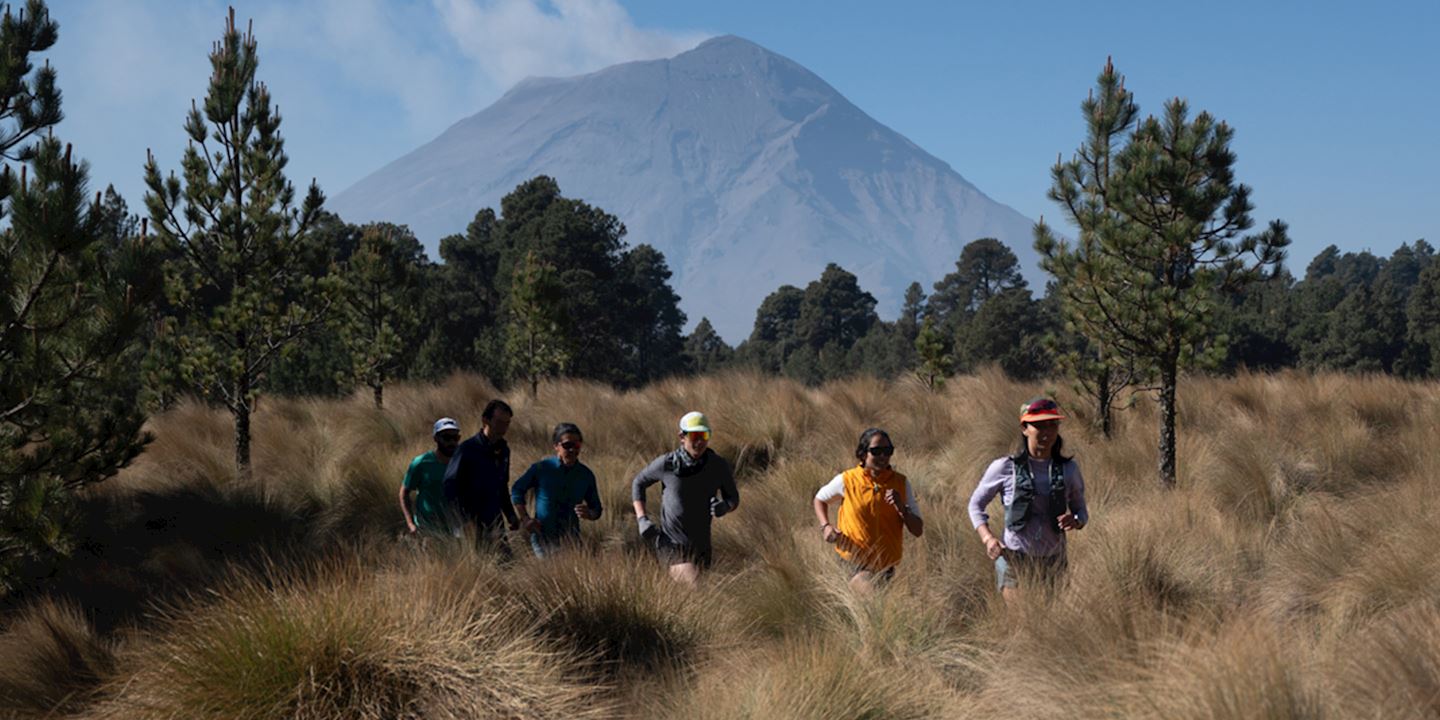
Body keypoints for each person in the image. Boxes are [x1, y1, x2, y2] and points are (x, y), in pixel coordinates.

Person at [969, 396, 1089, 602]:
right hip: (1014, 558)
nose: (1047, 432)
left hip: (1054, 560)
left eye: (1053, 425)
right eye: (1040, 426)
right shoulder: (1004, 467)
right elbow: (975, 505)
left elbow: (1081, 510)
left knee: (1048, 624)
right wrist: (988, 539)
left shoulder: (1069, 470)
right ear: (1025, 428)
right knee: (1020, 620)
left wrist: (1076, 520)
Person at [632, 411, 739, 584]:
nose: (700, 442)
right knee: (695, 586)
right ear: (682, 436)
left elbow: (733, 498)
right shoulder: (666, 464)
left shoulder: (717, 465)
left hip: (702, 546)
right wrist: (642, 519)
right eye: (695, 436)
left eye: (704, 435)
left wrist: (725, 506)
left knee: (695, 598)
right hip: (671, 545)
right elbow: (638, 483)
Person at [812, 428, 924, 593]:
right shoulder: (847, 480)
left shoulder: (901, 483)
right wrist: (826, 526)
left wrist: (902, 509)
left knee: (877, 609)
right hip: (853, 562)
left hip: (886, 566)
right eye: (876, 451)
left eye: (887, 451)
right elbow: (820, 499)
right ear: (863, 454)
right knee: (870, 595)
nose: (883, 456)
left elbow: (917, 530)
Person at [511, 423, 603, 557]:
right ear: (556, 446)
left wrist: (589, 514)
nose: (572, 450)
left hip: (571, 541)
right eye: (567, 445)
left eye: (576, 445)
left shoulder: (586, 475)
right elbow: (517, 490)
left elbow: (597, 509)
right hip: (542, 539)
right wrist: (525, 518)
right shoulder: (542, 469)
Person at [444, 399, 520, 547]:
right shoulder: (467, 449)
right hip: (470, 522)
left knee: (505, 563)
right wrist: (462, 521)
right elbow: (449, 486)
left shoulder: (503, 450)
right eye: (499, 422)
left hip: (494, 519)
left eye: (507, 423)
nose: (503, 428)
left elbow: (502, 486)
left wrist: (510, 515)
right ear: (485, 420)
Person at [400, 417, 463, 537]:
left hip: (456, 530)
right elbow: (404, 493)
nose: (451, 442)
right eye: (446, 438)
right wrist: (411, 524)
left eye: (455, 438)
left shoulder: (463, 463)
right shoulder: (421, 463)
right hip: (427, 530)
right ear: (436, 438)